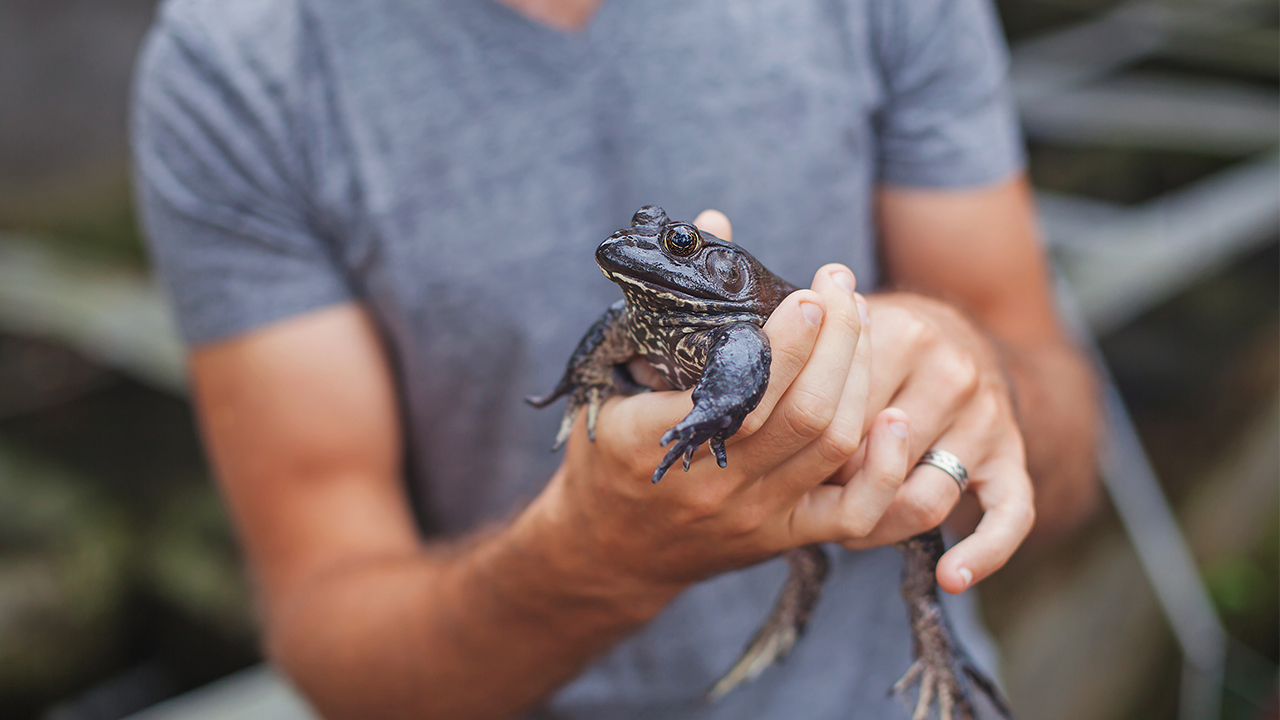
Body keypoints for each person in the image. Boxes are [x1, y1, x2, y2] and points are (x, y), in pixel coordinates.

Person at [131, 0, 1100, 717]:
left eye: (673, 249)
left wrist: (981, 381)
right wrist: (590, 555)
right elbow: (328, 635)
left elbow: (1066, 458)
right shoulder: (239, 65)